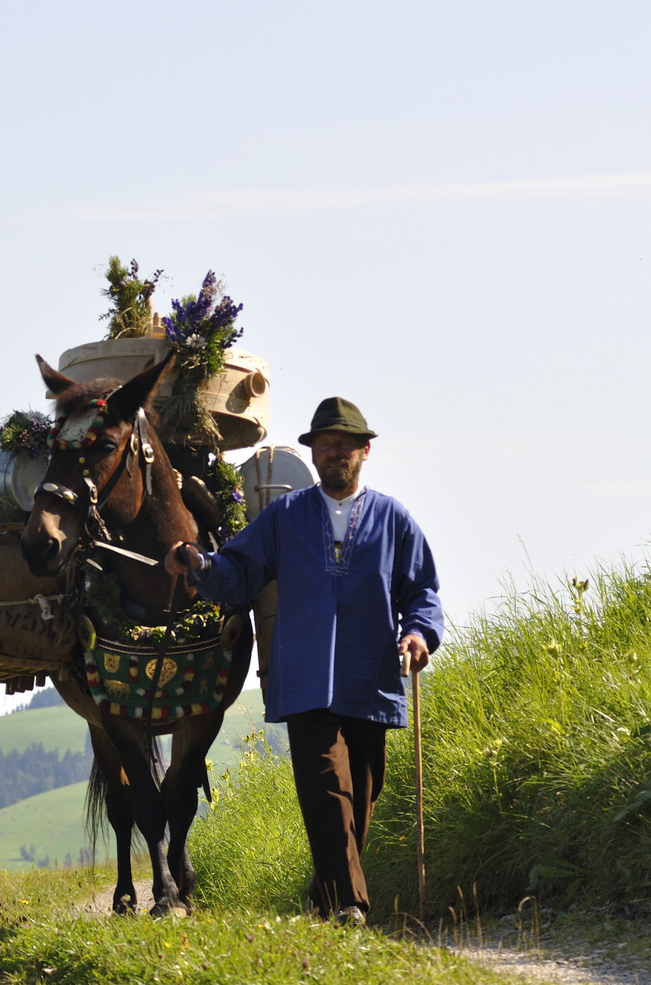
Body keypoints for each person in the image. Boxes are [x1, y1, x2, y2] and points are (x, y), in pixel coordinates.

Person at [165, 396, 442, 924]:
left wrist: (420, 635)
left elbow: (421, 590)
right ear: (313, 455)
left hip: (372, 675)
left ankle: (323, 899)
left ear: (364, 451)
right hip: (305, 677)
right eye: (324, 445)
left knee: (361, 796)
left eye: (344, 444)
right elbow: (238, 571)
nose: (334, 452)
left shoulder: (393, 519)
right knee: (325, 789)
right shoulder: (285, 518)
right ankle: (350, 908)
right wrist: (198, 562)